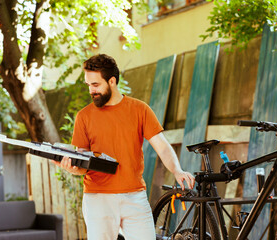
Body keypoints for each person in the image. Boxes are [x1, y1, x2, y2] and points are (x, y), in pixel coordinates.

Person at [52, 54, 195, 240]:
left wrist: (177, 170)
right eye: (88, 85)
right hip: (98, 199)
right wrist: (71, 168)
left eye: (95, 85)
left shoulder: (139, 109)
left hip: (134, 196)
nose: (91, 90)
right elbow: (82, 164)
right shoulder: (84, 117)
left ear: (112, 81)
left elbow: (162, 145)